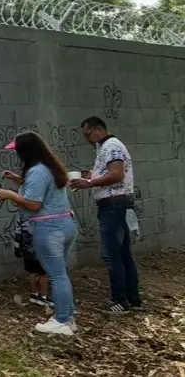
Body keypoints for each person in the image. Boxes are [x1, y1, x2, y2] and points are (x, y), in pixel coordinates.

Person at [0, 131, 78, 335]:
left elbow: (33, 203)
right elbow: (38, 190)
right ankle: (67, 317)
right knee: (60, 274)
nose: (17, 155)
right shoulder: (49, 167)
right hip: (65, 224)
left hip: (48, 229)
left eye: (18, 151)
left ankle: (61, 320)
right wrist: (17, 180)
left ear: (26, 151)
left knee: (56, 275)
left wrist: (9, 195)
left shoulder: (37, 172)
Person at [71, 117, 141, 315]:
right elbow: (112, 174)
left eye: (88, 134)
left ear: (98, 130)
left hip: (113, 207)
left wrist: (90, 183)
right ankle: (132, 297)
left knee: (112, 255)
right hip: (119, 205)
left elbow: (117, 174)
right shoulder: (108, 147)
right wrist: (92, 175)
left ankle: (120, 301)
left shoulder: (111, 146)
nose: (87, 139)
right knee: (124, 254)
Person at [11, 212, 52, 309]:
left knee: (32, 271)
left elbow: (18, 231)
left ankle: (34, 294)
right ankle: (44, 296)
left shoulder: (22, 214)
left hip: (27, 246)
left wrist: (17, 247)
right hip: (40, 246)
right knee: (43, 272)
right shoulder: (43, 211)